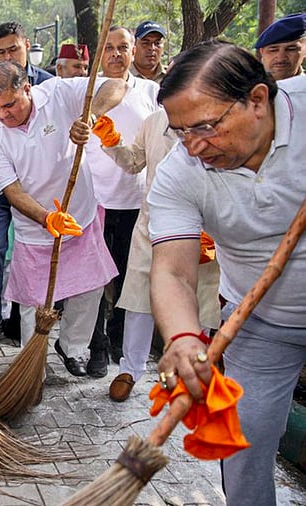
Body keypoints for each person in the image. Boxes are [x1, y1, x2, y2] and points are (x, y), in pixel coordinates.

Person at [147, 41, 306, 505]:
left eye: (206, 127)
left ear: (257, 100)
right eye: (180, 132)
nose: (194, 147)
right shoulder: (181, 172)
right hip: (262, 326)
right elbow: (173, 270)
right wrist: (182, 338)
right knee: (245, 440)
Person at [0, 61, 120, 377]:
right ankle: (33, 365)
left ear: (27, 87)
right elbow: (12, 192)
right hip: (35, 225)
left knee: (89, 289)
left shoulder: (58, 92)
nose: (3, 114)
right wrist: (47, 218)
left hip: (80, 213)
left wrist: (90, 115)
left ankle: (73, 347)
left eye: (10, 104)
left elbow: (115, 85)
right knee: (33, 302)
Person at [72, 107, 221, 401]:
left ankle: (191, 369)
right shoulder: (154, 121)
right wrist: (112, 140)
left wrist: (217, 224)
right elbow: (133, 162)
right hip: (153, 225)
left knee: (200, 299)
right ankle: (130, 369)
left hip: (202, 227)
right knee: (140, 299)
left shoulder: (220, 122)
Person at [0, 21, 53, 352]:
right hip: (0, 186)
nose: (6, 56)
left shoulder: (48, 84)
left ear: (26, 45)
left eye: (12, 49)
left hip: (39, 192)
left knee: (32, 255)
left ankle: (22, 320)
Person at [85, 26, 160, 377]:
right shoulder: (85, 91)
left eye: (123, 48)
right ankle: (95, 342)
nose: (116, 54)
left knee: (129, 273)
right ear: (100, 54)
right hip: (94, 197)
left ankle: (118, 338)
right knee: (97, 276)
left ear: (133, 52)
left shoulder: (151, 91)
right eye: (109, 48)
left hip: (135, 199)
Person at [255, 13, 305, 82]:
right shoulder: (243, 88)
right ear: (262, 52)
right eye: (273, 50)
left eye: (291, 49)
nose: (281, 58)